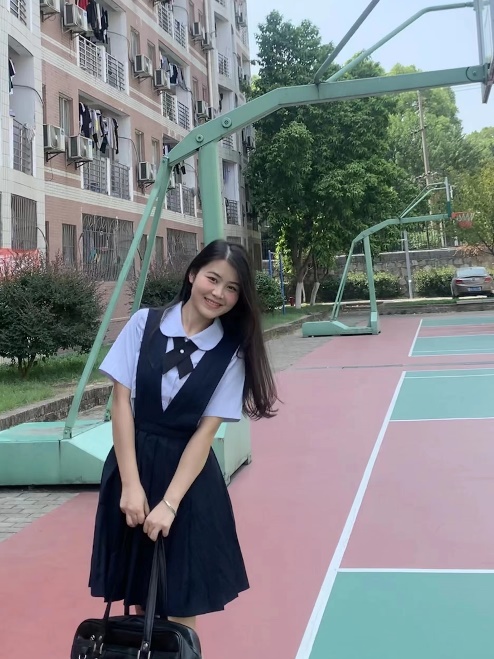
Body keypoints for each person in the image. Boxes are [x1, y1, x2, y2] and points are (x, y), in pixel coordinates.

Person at [88, 239, 278, 633]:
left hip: (187, 484)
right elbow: (121, 405)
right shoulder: (144, 324)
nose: (219, 293)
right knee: (139, 592)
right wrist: (131, 486)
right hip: (134, 466)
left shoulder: (231, 353)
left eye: (232, 288)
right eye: (213, 279)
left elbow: (204, 435)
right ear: (193, 274)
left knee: (178, 603)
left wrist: (170, 504)